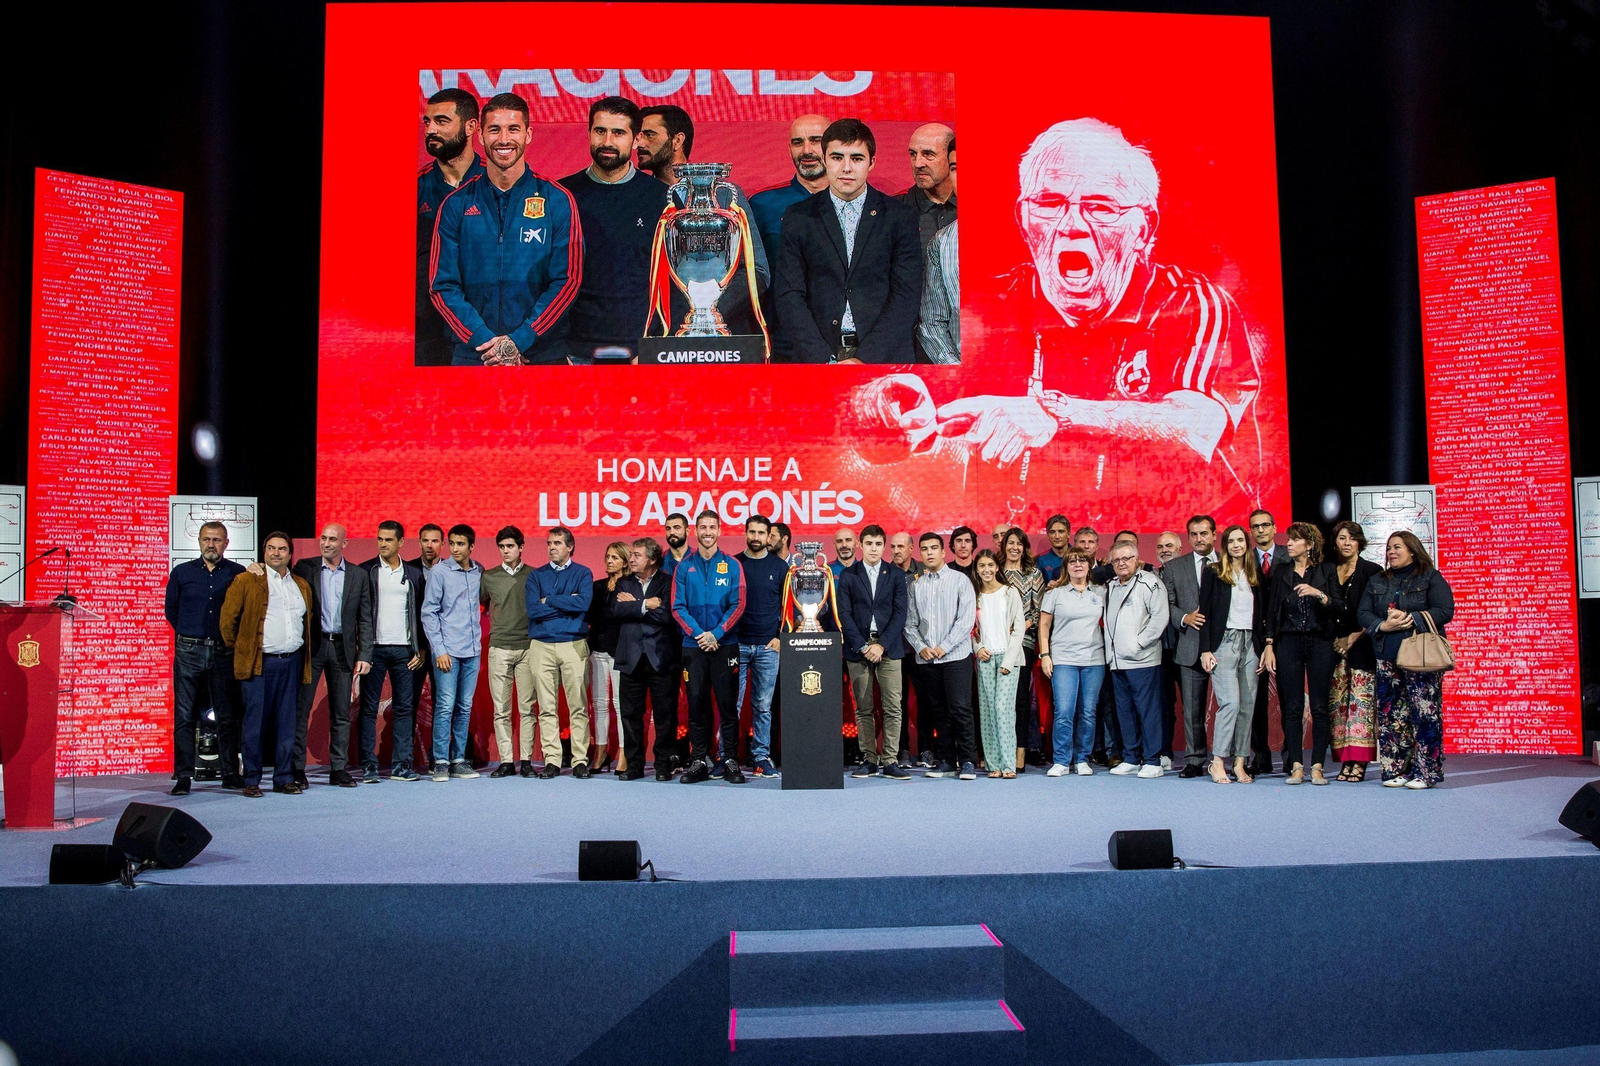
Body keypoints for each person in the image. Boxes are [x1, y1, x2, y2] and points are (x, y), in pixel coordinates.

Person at [429, 92, 582, 366]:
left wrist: (518, 341)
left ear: (528, 135)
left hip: (540, 355)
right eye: (494, 129)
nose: (503, 139)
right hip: (474, 356)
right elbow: (442, 286)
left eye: (513, 129)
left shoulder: (557, 199)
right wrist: (485, 343)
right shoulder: (455, 205)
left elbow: (568, 280)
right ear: (480, 136)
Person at [774, 118, 923, 364]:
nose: (846, 168)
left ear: (871, 162)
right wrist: (823, 359)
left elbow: (906, 296)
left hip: (883, 356)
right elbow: (789, 295)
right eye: (836, 157)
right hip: (817, 357)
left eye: (856, 158)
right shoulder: (799, 216)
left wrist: (863, 359)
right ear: (824, 159)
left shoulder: (899, 216)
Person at [559, 96, 669, 363]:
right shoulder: (561, 195)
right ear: (588, 134)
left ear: (636, 139)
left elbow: (675, 281)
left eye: (618, 133)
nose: (607, 142)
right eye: (600, 131)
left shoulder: (662, 198)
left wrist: (656, 345)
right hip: (574, 353)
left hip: (642, 352)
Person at [1358, 531, 1454, 789]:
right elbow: (1363, 612)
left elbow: (1445, 609)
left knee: (1425, 715)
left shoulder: (1430, 576)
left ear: (1412, 549)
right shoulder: (1377, 580)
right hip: (1386, 656)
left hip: (1421, 657)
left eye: (1397, 547)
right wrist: (1383, 625)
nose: (1391, 552)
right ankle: (1396, 771)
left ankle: (1426, 773)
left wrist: (1411, 619)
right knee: (1392, 717)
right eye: (1389, 548)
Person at [219, 532, 312, 797]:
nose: (276, 553)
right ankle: (251, 779)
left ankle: (283, 778)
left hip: (291, 662)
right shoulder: (247, 580)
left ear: (290, 553)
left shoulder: (301, 585)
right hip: (260, 664)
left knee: (286, 724)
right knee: (254, 724)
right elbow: (227, 623)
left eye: (282, 549)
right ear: (264, 551)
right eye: (271, 548)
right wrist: (243, 650)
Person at [637, 103, 769, 289]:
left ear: (677, 140)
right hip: (660, 313)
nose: (640, 144)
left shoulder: (725, 194)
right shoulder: (637, 197)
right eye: (638, 136)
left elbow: (756, 269)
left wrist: (708, 308)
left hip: (720, 314)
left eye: (649, 135)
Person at [164, 521, 247, 795]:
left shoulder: (237, 573)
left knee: (226, 715)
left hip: (224, 651)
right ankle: (184, 775)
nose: (211, 544)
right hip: (189, 650)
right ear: (199, 542)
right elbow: (171, 611)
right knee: (184, 715)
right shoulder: (181, 572)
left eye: (217, 540)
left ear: (226, 543)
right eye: (206, 539)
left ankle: (230, 774)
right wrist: (191, 635)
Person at [289, 524, 374, 789]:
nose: (326, 543)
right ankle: (296, 769)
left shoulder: (359, 575)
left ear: (344, 544)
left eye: (332, 539)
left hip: (343, 649)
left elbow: (365, 618)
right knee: (301, 711)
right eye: (323, 538)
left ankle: (338, 769)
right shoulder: (304, 567)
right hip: (312, 648)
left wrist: (365, 654)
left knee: (341, 713)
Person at [1260, 523, 1341, 785]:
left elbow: (1340, 606)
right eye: (1289, 539)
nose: (1289, 544)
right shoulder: (1281, 571)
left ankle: (1317, 765)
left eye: (1295, 540)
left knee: (1319, 707)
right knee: (1292, 707)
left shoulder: (1326, 571)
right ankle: (1296, 764)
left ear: (1309, 545)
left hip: (1320, 642)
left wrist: (1320, 594)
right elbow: (1271, 612)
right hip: (1289, 643)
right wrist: (1269, 644)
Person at [672, 510, 746, 784]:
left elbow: (738, 604)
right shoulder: (684, 567)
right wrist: (700, 635)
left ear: (719, 531)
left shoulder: (732, 565)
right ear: (695, 531)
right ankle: (699, 760)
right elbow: (677, 607)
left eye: (712, 527)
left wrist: (715, 633)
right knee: (696, 706)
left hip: (725, 645)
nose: (707, 532)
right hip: (693, 647)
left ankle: (729, 760)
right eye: (702, 527)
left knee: (728, 707)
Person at [417, 88, 485, 366]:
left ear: (471, 127)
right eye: (427, 122)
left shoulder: (496, 183)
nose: (431, 129)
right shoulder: (415, 186)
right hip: (425, 332)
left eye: (442, 121)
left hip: (481, 328)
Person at [1198, 525, 1268, 784]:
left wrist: (1264, 647)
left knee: (1247, 707)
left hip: (1251, 643)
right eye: (1231, 541)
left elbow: (1262, 613)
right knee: (1231, 703)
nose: (1236, 545)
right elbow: (1203, 612)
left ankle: (1240, 762)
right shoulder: (1214, 572)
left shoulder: (1255, 574)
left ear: (1246, 544)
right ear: (1224, 545)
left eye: (1241, 540)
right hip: (1224, 642)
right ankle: (1217, 761)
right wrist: (1205, 649)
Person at [904, 532, 978, 780]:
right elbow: (909, 623)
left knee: (960, 708)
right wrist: (921, 647)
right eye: (924, 549)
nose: (929, 553)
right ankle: (946, 760)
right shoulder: (915, 586)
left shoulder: (960, 581)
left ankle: (967, 760)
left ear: (943, 551)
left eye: (934, 548)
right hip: (927, 658)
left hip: (956, 656)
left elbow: (966, 620)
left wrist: (944, 646)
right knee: (938, 710)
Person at [840, 525, 910, 779]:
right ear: (861, 545)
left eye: (878, 544)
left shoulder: (895, 575)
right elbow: (844, 615)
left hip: (889, 647)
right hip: (858, 649)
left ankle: (890, 760)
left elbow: (900, 613)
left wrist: (882, 645)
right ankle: (869, 759)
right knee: (863, 707)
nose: (873, 548)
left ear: (884, 546)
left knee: (893, 706)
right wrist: (862, 646)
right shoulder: (848, 575)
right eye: (868, 543)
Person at [525, 526, 594, 778]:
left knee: (578, 705)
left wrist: (549, 600)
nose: (552, 547)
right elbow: (533, 610)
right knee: (546, 706)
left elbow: (582, 604)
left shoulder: (583, 573)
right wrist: (566, 601)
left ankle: (579, 761)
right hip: (541, 645)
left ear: (570, 547)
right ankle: (552, 760)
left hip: (573, 644)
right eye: (549, 543)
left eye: (557, 543)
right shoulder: (535, 576)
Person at [359, 521, 425, 782]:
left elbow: (420, 614)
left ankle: (401, 765)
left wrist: (419, 647)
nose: (383, 544)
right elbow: (359, 614)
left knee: (404, 709)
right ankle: (368, 765)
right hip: (373, 650)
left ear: (401, 543)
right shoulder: (366, 571)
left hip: (404, 651)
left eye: (388, 540)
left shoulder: (413, 574)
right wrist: (361, 650)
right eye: (379, 539)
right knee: (368, 708)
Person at [419, 524, 484, 781]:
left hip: (472, 650)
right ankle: (441, 761)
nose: (455, 549)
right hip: (448, 652)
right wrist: (439, 649)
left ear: (471, 546)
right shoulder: (440, 572)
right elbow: (429, 613)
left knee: (464, 707)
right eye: (452, 544)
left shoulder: (479, 571)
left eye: (461, 544)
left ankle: (458, 759)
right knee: (445, 706)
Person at [613, 538, 680, 781]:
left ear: (652, 559)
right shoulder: (623, 582)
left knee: (665, 715)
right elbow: (617, 611)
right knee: (630, 715)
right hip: (630, 659)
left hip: (660, 659)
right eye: (631, 554)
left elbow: (667, 615)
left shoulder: (667, 582)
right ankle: (634, 765)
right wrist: (646, 604)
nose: (631, 559)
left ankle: (663, 764)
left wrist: (635, 605)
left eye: (637, 555)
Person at [1104, 541, 1170, 778]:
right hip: (1117, 661)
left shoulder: (1150, 583)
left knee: (1147, 710)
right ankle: (1131, 757)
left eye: (1127, 558)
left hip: (1143, 660)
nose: (1122, 563)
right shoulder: (1111, 585)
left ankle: (1153, 760)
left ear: (1137, 559)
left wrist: (1138, 643)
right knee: (1124, 711)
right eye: (1117, 560)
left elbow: (1160, 617)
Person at [1038, 548, 1106, 776]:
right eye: (1072, 561)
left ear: (1089, 565)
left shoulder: (1100, 592)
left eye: (1082, 561)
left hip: (1094, 660)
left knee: (1088, 711)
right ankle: (1061, 760)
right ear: (1066, 566)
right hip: (1063, 659)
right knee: (1064, 711)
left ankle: (1082, 759)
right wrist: (1045, 655)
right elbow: (1044, 626)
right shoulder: (1054, 593)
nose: (1078, 565)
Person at [1162, 515, 1217, 779]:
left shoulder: (1231, 561)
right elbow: (1167, 605)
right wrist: (1185, 618)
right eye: (1194, 534)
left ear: (1215, 535)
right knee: (1192, 709)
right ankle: (1194, 759)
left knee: (1235, 705)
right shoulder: (1174, 567)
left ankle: (1238, 757)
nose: (1199, 538)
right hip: (1189, 646)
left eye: (1204, 533)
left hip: (1226, 646)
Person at [481, 526, 537, 779]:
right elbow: (483, 604)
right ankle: (506, 761)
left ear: (521, 547)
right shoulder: (489, 576)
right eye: (502, 547)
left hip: (528, 647)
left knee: (528, 708)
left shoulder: (534, 576)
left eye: (510, 546)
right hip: (499, 648)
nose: (506, 551)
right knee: (501, 709)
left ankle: (526, 760)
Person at [735, 515, 788, 777]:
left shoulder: (780, 567)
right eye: (751, 532)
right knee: (731, 705)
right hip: (737, 644)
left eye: (761, 533)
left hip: (768, 647)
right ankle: (728, 757)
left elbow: (789, 607)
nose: (756, 537)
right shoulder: (733, 564)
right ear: (745, 534)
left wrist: (781, 635)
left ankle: (761, 756)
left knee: (763, 706)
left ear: (769, 537)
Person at [1328, 521, 1381, 781]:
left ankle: (1360, 761)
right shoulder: (1328, 571)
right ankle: (1344, 761)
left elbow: (1377, 613)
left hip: (1362, 646)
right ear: (1335, 542)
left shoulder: (1373, 571)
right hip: (1333, 648)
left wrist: (1352, 638)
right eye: (1341, 538)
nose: (1346, 543)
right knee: (1338, 705)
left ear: (1360, 542)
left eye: (1352, 538)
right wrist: (1337, 641)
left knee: (1361, 705)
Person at [971, 550, 1026, 778]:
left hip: (1008, 658)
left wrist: (1009, 660)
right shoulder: (975, 596)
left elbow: (1019, 627)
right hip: (985, 658)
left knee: (1003, 709)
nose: (986, 570)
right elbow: (971, 629)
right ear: (977, 570)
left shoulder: (1009, 592)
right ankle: (993, 764)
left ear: (997, 567)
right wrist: (978, 648)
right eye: (981, 565)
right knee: (987, 711)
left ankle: (1009, 765)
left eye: (990, 565)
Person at [750, 114, 830, 261]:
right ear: (789, 149)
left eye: (816, 141)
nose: (806, 150)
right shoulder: (761, 204)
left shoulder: (852, 201)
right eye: (798, 143)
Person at [1246, 509, 1290, 775]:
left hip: (1285, 636)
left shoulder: (1289, 555)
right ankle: (1260, 756)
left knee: (1288, 700)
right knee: (1255, 701)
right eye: (1255, 527)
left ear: (1275, 528)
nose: (1260, 530)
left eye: (1265, 525)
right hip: (1254, 637)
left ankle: (1290, 757)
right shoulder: (1245, 558)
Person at [1000, 526, 1045, 770]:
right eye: (1010, 543)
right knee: (999, 699)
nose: (1014, 548)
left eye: (1019, 543)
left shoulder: (1033, 573)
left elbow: (1038, 611)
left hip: (1023, 641)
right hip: (996, 641)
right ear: (1004, 546)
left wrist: (1019, 626)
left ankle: (1019, 753)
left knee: (1020, 698)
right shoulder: (995, 572)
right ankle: (999, 750)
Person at [587, 541, 630, 774]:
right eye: (607, 556)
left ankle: (623, 754)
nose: (609, 561)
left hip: (619, 652)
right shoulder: (597, 586)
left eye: (614, 557)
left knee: (620, 704)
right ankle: (601, 752)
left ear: (624, 561)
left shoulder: (631, 586)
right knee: (599, 705)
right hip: (597, 650)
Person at [890, 531, 930, 765]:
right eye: (893, 546)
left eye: (901, 546)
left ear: (911, 548)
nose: (896, 551)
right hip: (895, 648)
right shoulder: (885, 573)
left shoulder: (925, 571)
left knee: (926, 701)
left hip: (922, 648)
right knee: (898, 702)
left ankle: (926, 748)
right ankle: (902, 750)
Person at [407, 523, 443, 771]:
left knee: (444, 704)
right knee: (408, 703)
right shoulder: (407, 570)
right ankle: (405, 758)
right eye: (425, 540)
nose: (430, 545)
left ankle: (437, 757)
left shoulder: (451, 570)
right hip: (415, 649)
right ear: (419, 542)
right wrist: (419, 646)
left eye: (435, 541)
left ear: (442, 544)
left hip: (444, 650)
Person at [898, 124, 957, 252]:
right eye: (913, 154)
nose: (918, 163)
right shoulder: (894, 210)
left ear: (951, 157)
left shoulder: (979, 211)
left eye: (928, 154)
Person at [1153, 530, 1184, 767]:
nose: (1165, 550)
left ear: (1180, 549)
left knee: (1193, 706)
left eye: (1170, 546)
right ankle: (1165, 753)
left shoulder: (1190, 574)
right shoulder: (1150, 577)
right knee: (1163, 704)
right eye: (1161, 546)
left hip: (1186, 648)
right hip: (1159, 651)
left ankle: (1197, 755)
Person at [917, 220, 960, 365]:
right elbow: (932, 321)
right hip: (964, 372)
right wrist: (954, 367)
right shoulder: (942, 241)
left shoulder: (1030, 234)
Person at [1035, 514, 1073, 584]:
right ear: (1048, 535)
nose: (1057, 536)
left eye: (1061, 531)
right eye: (1052, 532)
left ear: (1068, 534)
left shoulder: (1079, 556)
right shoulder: (1040, 560)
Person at [661, 512, 692, 576]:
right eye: (668, 528)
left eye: (677, 528)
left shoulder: (698, 558)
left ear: (687, 531)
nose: (672, 532)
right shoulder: (659, 560)